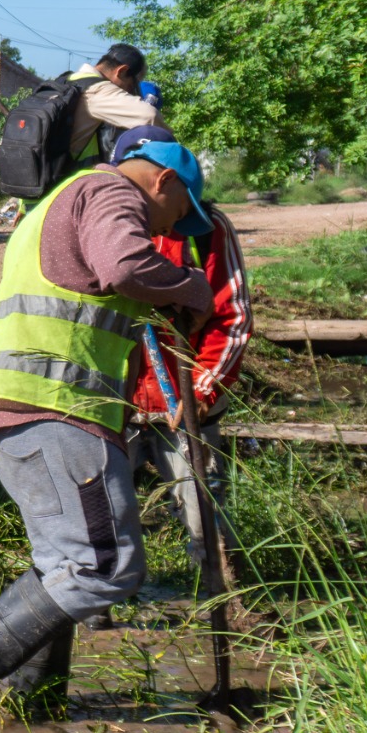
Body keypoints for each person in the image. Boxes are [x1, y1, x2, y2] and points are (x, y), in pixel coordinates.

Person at [0, 142, 214, 703]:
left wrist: (163, 304)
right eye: (179, 212)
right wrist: (191, 288)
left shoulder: (66, 200)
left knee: (63, 566)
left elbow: (101, 284)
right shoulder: (110, 191)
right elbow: (125, 266)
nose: (172, 228)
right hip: (56, 410)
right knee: (102, 569)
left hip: (34, 411)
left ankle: (30, 700)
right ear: (164, 183)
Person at [113, 125, 251, 568]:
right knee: (102, 519)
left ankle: (221, 593)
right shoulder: (105, 226)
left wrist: (203, 391)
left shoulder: (204, 229)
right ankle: (102, 617)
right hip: (116, 404)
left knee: (204, 514)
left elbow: (232, 318)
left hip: (187, 402)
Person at [63, 43, 159, 168]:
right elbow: (149, 116)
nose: (129, 92)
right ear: (121, 71)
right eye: (132, 85)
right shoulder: (98, 90)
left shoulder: (66, 81)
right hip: (62, 179)